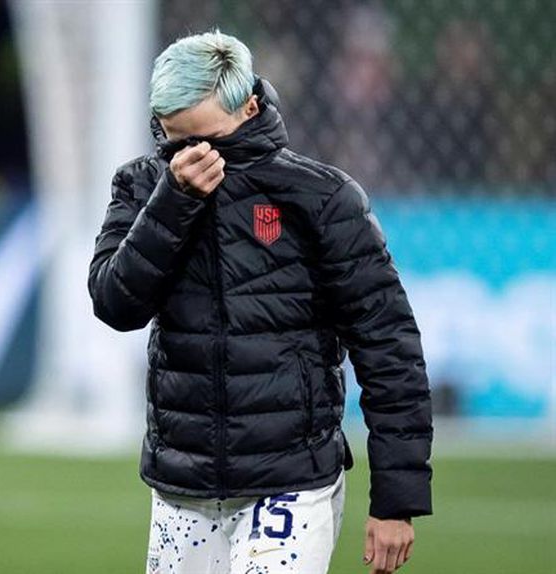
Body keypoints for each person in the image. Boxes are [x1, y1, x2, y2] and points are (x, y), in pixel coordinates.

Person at [87, 30, 432, 574]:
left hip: (291, 482)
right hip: (181, 484)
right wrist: (173, 202)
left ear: (249, 108)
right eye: (175, 141)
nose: (192, 157)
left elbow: (388, 346)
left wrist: (397, 498)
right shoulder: (142, 187)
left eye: (208, 140)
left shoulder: (322, 198)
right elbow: (115, 304)